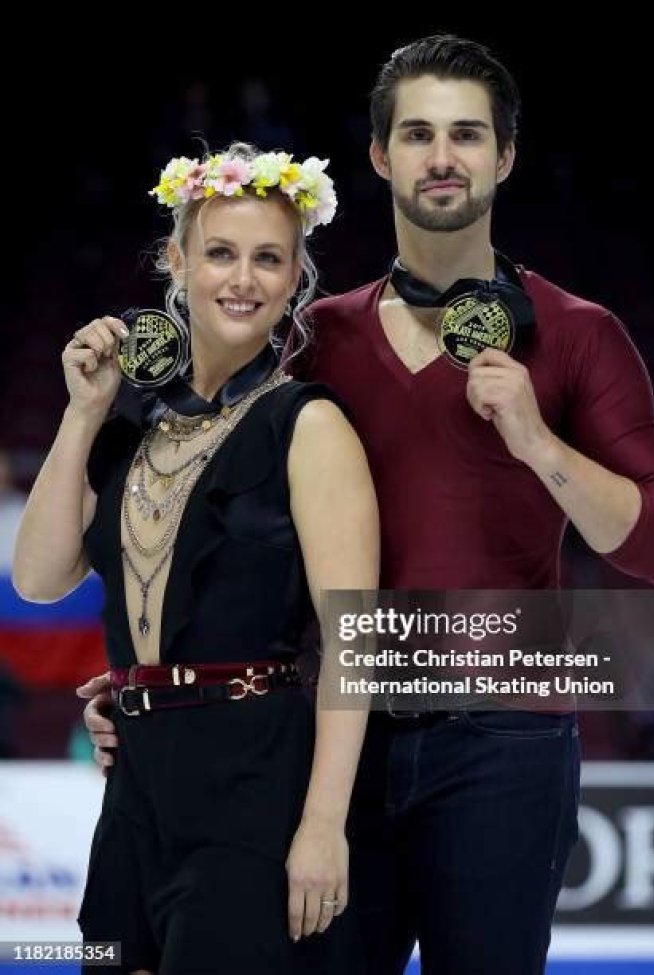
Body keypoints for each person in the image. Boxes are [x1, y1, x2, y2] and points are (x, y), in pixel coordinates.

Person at [79, 35, 654, 975]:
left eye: (465, 134)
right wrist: (150, 687)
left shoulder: (579, 335)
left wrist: (537, 442)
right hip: (328, 743)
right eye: (417, 134)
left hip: (503, 738)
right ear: (379, 157)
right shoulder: (310, 339)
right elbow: (201, 517)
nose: (441, 156)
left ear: (506, 156)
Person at [13, 142, 379, 975]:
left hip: (253, 783)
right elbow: (38, 579)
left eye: (267, 259)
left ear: (295, 279)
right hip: (135, 781)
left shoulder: (308, 425)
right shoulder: (134, 431)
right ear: (177, 261)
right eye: (219, 252)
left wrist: (323, 823)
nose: (241, 279)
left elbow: (355, 643)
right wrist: (82, 414)